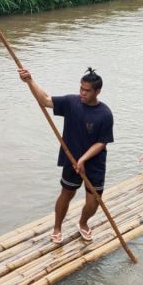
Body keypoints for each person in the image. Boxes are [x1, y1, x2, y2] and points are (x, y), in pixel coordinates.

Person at [18, 67, 114, 244]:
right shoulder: (71, 102)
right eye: (81, 89)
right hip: (71, 159)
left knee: (94, 202)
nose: (82, 93)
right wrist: (30, 81)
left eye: (87, 91)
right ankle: (57, 227)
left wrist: (84, 159)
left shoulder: (105, 114)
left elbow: (102, 142)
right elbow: (45, 100)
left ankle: (83, 223)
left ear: (97, 91)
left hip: (94, 163)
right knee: (66, 194)